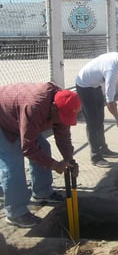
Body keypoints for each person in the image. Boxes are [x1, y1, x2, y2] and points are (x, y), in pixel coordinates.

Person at [0, 82, 81, 228]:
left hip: (20, 117)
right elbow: (28, 148)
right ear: (54, 108)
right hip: (3, 120)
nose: (63, 122)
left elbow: (63, 135)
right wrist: (54, 165)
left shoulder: (63, 103)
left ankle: (42, 192)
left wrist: (69, 159)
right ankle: (15, 213)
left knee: (43, 147)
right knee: (13, 162)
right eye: (62, 118)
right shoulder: (34, 107)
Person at [76, 48, 118, 168]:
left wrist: (116, 113)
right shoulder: (111, 70)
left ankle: (103, 148)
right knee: (93, 123)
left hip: (95, 85)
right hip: (84, 86)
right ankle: (95, 156)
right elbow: (110, 101)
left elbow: (110, 100)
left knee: (100, 119)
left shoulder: (117, 57)